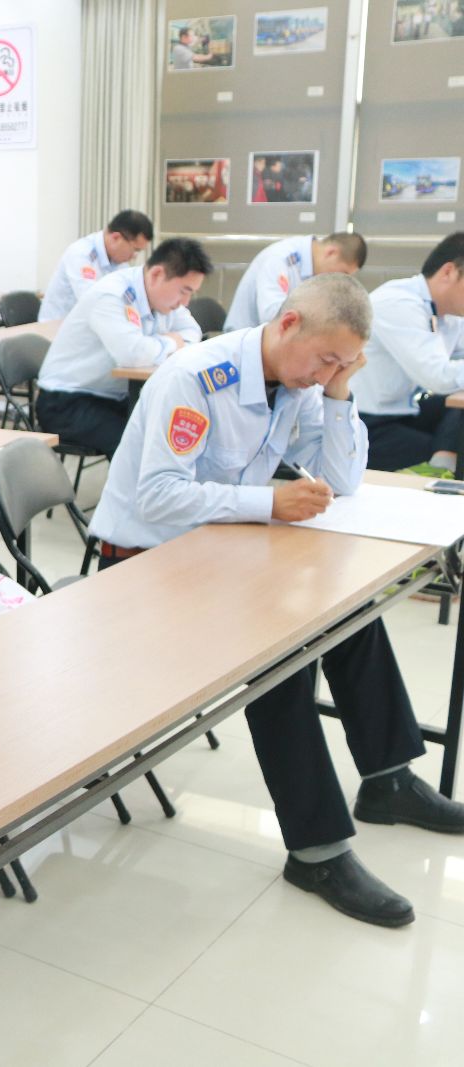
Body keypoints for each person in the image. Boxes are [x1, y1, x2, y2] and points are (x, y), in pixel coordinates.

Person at [89, 273, 464, 927]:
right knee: (281, 650)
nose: (328, 374)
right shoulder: (195, 378)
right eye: (327, 360)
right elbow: (158, 496)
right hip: (145, 565)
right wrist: (269, 501)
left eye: (345, 365)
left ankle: (388, 780)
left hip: (220, 550)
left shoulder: (302, 381)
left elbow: (343, 479)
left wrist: (339, 392)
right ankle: (317, 851)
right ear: (289, 325)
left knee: (350, 612)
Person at [36, 237, 209, 457]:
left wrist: (158, 346)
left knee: (168, 432)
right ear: (157, 274)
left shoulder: (164, 299)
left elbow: (193, 331)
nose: (185, 302)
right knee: (137, 448)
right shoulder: (112, 295)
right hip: (67, 402)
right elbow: (132, 355)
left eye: (191, 293)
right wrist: (171, 342)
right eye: (184, 291)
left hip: (113, 397)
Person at [356, 232, 464, 473]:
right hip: (367, 423)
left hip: (405, 411)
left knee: (457, 415)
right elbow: (439, 377)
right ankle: (442, 464)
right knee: (458, 446)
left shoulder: (450, 313)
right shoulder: (398, 303)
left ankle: (443, 459)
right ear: (449, 272)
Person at [224, 232, 367, 331]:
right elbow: (271, 316)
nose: (340, 279)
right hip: (244, 347)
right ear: (331, 253)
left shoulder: (313, 269)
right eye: (343, 272)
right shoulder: (281, 258)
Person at [38, 210, 155, 321]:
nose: (134, 256)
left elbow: (130, 298)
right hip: (55, 327)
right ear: (116, 238)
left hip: (93, 326)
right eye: (135, 249)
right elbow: (91, 301)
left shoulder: (120, 262)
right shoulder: (81, 253)